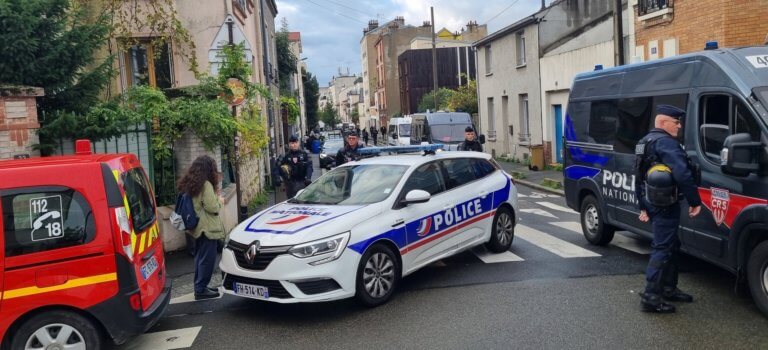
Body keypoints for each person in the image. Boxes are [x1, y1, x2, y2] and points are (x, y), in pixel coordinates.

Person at [634, 104, 702, 314]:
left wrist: (642, 205)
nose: (679, 126)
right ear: (664, 123)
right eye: (676, 122)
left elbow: (637, 175)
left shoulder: (644, 141)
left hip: (653, 202)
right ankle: (651, 297)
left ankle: (668, 288)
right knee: (663, 248)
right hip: (665, 205)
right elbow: (682, 174)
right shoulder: (666, 143)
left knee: (672, 244)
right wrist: (695, 201)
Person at [177, 155, 226, 300]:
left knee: (200, 258)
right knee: (207, 260)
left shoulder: (191, 183)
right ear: (209, 169)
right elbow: (212, 207)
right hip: (207, 228)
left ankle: (200, 286)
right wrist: (220, 201)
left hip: (197, 228)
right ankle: (201, 289)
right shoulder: (206, 185)